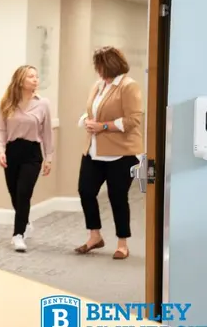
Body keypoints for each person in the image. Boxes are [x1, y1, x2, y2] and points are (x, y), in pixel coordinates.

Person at [74, 46, 143, 260]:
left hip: (121, 154)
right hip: (94, 151)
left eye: (100, 65)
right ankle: (95, 235)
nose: (98, 70)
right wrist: (86, 120)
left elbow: (134, 120)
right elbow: (90, 111)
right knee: (85, 191)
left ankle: (123, 243)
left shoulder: (128, 86)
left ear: (111, 64)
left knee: (117, 197)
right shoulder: (98, 85)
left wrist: (103, 127)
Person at [0, 65, 54, 252]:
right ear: (21, 80)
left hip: (32, 153)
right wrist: (0, 150)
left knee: (23, 193)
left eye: (36, 76)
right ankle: (25, 222)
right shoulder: (7, 102)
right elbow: (0, 129)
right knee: (14, 193)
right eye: (31, 76)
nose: (35, 79)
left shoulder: (43, 103)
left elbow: (47, 133)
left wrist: (49, 157)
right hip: (12, 151)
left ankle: (18, 234)